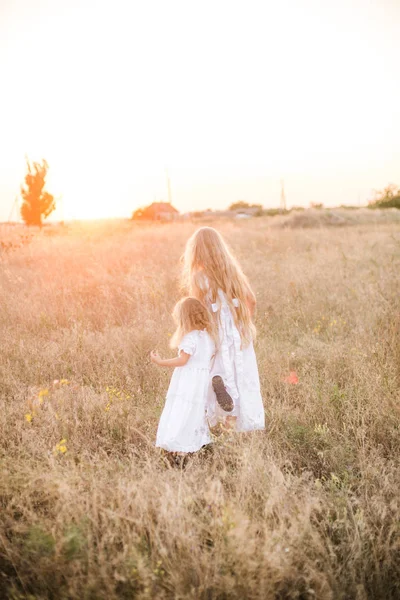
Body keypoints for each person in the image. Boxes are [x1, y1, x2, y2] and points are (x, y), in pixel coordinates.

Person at [181, 227, 265, 432]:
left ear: (196, 251)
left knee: (213, 372)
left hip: (216, 333)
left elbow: (199, 309)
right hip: (238, 332)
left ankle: (216, 422)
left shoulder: (199, 277)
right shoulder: (233, 271)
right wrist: (242, 324)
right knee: (242, 376)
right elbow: (251, 300)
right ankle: (237, 425)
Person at [151, 297, 216, 454]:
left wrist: (160, 361)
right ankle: (196, 441)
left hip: (188, 379)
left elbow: (182, 360)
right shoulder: (207, 337)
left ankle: (178, 443)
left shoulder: (190, 337)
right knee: (196, 409)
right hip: (202, 379)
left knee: (182, 408)